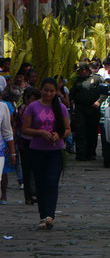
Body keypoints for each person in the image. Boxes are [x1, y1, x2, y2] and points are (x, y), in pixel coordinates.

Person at [22, 78, 71, 229]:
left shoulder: (60, 107)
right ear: (41, 90)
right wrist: (40, 133)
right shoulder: (33, 107)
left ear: (56, 92)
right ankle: (43, 216)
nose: (48, 94)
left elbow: (68, 129)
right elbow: (25, 129)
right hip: (37, 150)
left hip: (55, 151)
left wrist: (59, 135)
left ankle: (50, 215)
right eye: (46, 90)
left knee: (51, 182)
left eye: (51, 91)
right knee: (40, 184)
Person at [70, 62, 107, 161]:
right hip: (80, 109)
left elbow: (105, 91)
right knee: (80, 131)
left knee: (92, 131)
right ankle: (81, 154)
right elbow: (71, 94)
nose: (80, 73)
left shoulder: (96, 78)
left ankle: (91, 153)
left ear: (85, 70)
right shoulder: (77, 81)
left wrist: (99, 102)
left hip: (93, 109)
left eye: (81, 71)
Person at [15, 87, 41, 205]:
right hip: (25, 142)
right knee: (27, 168)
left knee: (37, 168)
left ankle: (34, 192)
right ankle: (29, 194)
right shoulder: (22, 109)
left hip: (37, 142)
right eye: (30, 99)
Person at [0, 84, 16, 205]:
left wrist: (12, 151)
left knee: (2, 173)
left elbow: (7, 130)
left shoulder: (3, 107)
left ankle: (3, 194)